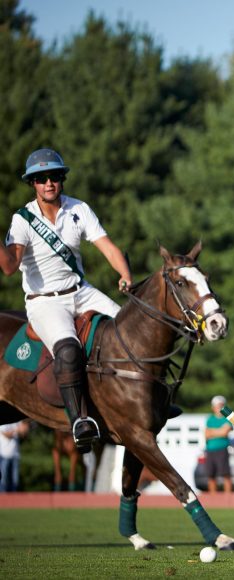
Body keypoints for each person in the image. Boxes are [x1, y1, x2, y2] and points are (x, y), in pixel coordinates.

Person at [0, 149, 132, 453]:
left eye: (55, 176)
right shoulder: (23, 220)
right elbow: (9, 267)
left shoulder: (79, 209)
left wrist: (124, 274)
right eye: (41, 178)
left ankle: (152, 401)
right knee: (68, 348)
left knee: (128, 331)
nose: (49, 183)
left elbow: (108, 248)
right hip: (44, 301)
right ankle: (79, 421)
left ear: (62, 179)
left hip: (80, 290)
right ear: (32, 183)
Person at [204, 395, 233, 494]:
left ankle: (228, 499)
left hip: (222, 449)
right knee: (211, 475)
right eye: (217, 406)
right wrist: (219, 431)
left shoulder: (227, 418)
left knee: (226, 474)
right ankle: (213, 499)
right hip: (210, 449)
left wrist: (213, 432)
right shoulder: (210, 419)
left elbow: (224, 432)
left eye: (221, 405)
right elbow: (206, 434)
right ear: (213, 407)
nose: (219, 408)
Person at [0, 421, 29, 492]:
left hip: (15, 455)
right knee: (3, 480)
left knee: (15, 480)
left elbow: (24, 432)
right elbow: (7, 434)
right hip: (4, 455)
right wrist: (17, 430)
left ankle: (13, 500)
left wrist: (25, 427)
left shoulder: (16, 422)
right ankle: (3, 499)